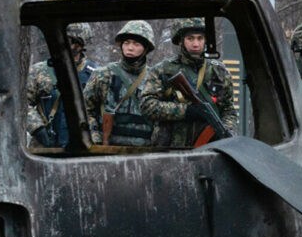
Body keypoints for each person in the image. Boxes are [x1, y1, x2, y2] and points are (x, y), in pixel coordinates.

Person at [137, 18, 237, 147]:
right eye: (190, 39)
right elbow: (146, 106)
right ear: (180, 41)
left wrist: (227, 131)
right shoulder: (164, 70)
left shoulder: (219, 72)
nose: (195, 44)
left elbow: (229, 111)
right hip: (169, 148)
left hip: (209, 149)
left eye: (200, 38)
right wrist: (185, 111)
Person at [83, 20, 156, 146]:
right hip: (108, 149)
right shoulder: (103, 74)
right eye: (126, 43)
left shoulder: (155, 78)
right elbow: (85, 110)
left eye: (136, 43)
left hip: (145, 152)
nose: (130, 47)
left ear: (146, 48)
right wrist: (96, 140)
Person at [25, 23, 97, 147]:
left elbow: (102, 111)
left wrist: (95, 139)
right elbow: (22, 104)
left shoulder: (95, 74)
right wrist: (37, 128)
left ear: (79, 44)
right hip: (45, 146)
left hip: (83, 146)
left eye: (68, 40)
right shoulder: (39, 71)